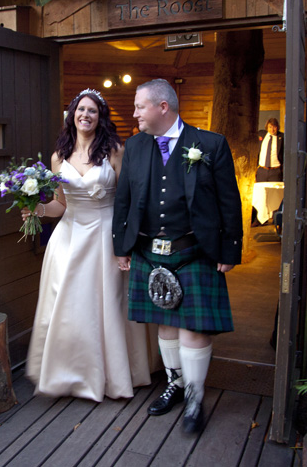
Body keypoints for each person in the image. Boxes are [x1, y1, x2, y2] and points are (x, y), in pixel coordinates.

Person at [113, 79, 242, 433]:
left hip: (195, 250)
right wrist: (120, 246)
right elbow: (124, 198)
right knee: (165, 322)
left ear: (162, 107)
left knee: (194, 326)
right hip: (149, 251)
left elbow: (229, 200)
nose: (134, 113)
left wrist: (230, 248)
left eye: (140, 106)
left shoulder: (210, 144)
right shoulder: (135, 146)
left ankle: (195, 399)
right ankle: (176, 383)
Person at [23, 88, 152, 402]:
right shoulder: (58, 156)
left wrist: (128, 241)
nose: (85, 115)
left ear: (100, 117)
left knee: (106, 305)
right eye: (81, 109)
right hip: (67, 238)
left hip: (104, 235)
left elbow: (127, 199)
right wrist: (36, 210)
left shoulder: (114, 151)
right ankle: (69, 372)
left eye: (92, 111)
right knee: (70, 307)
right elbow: (61, 205)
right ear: (72, 115)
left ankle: (114, 374)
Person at [256, 117, 283, 182]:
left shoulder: (282, 137)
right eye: (270, 127)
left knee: (275, 192)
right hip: (262, 171)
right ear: (267, 127)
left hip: (275, 172)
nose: (272, 129)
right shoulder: (261, 134)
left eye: (274, 127)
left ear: (277, 127)